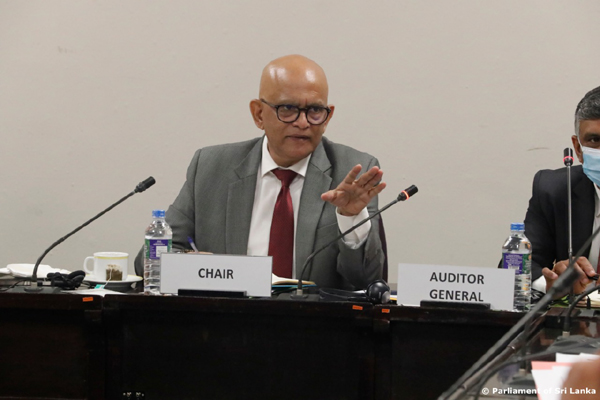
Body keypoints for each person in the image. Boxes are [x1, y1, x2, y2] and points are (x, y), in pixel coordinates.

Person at [134, 55, 386, 290]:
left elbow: (368, 282)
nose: (303, 122)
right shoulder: (211, 168)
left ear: (328, 117)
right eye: (288, 108)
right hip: (226, 316)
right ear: (258, 114)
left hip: (313, 319)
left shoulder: (353, 173)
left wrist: (351, 218)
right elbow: (148, 263)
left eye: (315, 111)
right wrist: (196, 265)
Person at [525, 86, 600, 294]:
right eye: (594, 140)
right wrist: (551, 284)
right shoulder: (554, 189)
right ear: (578, 148)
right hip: (580, 312)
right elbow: (517, 267)